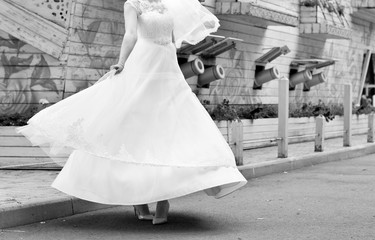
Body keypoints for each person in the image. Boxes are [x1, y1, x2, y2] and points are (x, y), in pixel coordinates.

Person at [17, 0, 247, 225]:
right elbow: (131, 35)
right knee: (134, 127)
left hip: (166, 67)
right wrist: (121, 63)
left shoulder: (169, 4)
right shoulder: (132, 4)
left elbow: (174, 38)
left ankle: (162, 200)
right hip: (143, 63)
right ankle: (141, 202)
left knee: (165, 129)